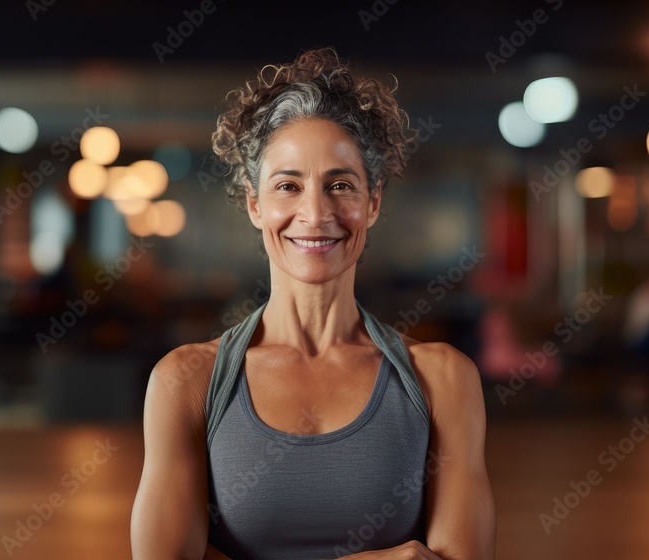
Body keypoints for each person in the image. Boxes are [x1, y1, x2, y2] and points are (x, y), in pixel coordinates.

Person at [131, 47, 496, 559]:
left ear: (372, 203)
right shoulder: (185, 382)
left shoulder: (443, 380)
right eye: (288, 186)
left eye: (340, 185)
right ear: (256, 205)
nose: (315, 213)